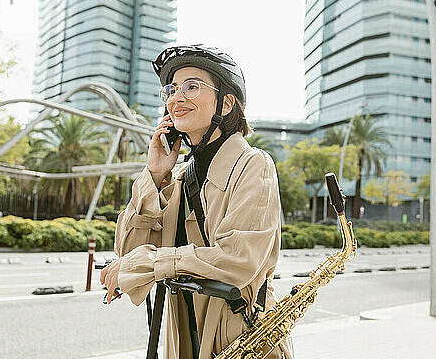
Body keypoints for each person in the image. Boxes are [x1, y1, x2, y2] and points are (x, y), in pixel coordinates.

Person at [100, 44, 292, 359]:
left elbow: (237, 260)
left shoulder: (254, 164)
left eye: (192, 87)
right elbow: (127, 254)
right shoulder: (179, 179)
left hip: (240, 335)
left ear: (226, 104)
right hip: (184, 337)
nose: (176, 98)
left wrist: (151, 263)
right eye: (171, 90)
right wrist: (155, 175)